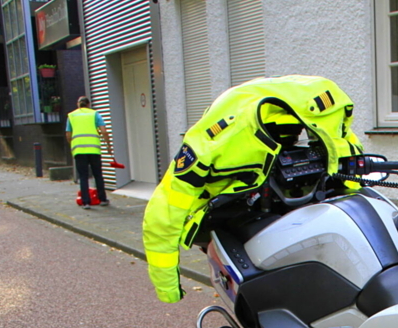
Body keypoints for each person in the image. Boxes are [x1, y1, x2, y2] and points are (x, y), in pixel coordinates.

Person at [142, 75, 362, 303]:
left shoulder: (327, 115)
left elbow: (345, 151)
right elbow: (163, 215)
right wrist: (168, 288)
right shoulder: (212, 143)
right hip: (236, 213)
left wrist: (350, 191)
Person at [65, 96, 112, 209]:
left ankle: (86, 202)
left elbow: (68, 134)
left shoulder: (71, 115)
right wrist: (108, 146)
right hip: (94, 149)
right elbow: (104, 131)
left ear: (78, 104)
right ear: (89, 104)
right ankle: (102, 199)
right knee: (98, 174)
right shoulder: (94, 114)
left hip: (79, 150)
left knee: (83, 176)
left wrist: (72, 145)